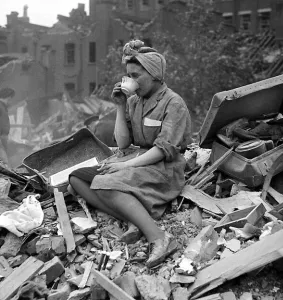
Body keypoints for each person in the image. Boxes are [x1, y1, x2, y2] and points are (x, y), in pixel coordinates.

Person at [68, 39, 192, 268]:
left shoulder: (174, 103)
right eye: (128, 76)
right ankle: (132, 219)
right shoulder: (134, 101)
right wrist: (119, 105)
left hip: (163, 166)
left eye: (136, 76)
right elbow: (123, 143)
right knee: (76, 179)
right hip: (135, 158)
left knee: (106, 182)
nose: (130, 81)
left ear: (155, 75)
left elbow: (163, 150)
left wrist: (125, 166)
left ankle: (158, 236)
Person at [0, 87, 15, 167]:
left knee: (4, 157)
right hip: (1, 136)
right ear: (8, 96)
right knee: (4, 159)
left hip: (3, 136)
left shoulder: (3, 106)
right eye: (11, 98)